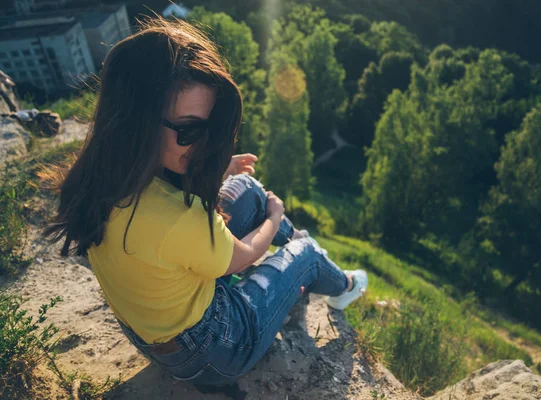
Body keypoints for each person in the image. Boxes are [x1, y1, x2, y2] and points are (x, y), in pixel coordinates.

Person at [42, 16, 368, 386]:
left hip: (152, 330)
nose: (207, 145)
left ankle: (296, 259)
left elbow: (170, 222)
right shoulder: (176, 215)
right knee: (305, 250)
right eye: (191, 129)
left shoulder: (103, 176)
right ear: (139, 122)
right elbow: (237, 259)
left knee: (247, 188)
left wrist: (221, 170)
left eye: (210, 128)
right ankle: (340, 284)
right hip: (213, 352)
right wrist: (273, 220)